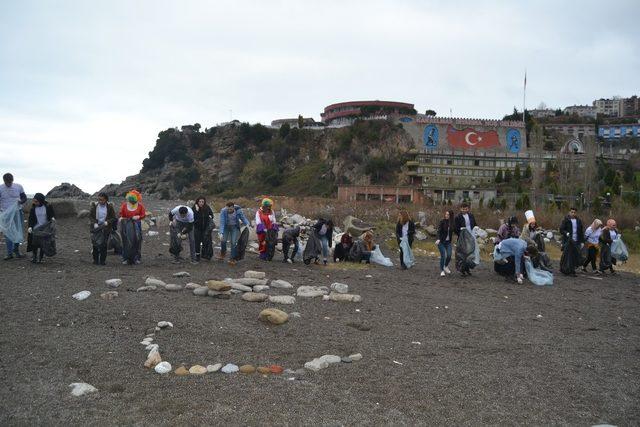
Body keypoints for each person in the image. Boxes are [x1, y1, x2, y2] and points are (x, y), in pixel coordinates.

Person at [0, 173, 27, 260]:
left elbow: (24, 198)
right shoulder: (0, 188)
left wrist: (21, 201)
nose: (9, 184)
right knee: (8, 232)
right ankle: (9, 253)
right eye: (7, 182)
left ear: (13, 180)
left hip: (17, 212)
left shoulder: (19, 187)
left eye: (10, 182)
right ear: (4, 181)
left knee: (18, 231)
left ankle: (16, 250)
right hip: (6, 213)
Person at [27, 193, 56, 263]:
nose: (35, 203)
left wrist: (52, 218)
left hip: (45, 228)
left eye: (36, 201)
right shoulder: (33, 208)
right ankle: (34, 257)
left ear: (41, 200)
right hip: (36, 228)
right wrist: (30, 227)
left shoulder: (48, 206)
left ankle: (40, 258)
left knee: (43, 243)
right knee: (34, 243)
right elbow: (31, 218)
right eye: (34, 201)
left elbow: (52, 214)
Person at [118, 190, 146, 265]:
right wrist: (121, 218)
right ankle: (126, 258)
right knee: (126, 240)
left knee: (137, 240)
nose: (132, 202)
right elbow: (121, 214)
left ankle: (136, 258)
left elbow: (143, 214)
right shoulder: (124, 205)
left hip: (136, 224)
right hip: (126, 224)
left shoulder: (140, 206)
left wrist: (138, 216)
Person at [89, 193, 116, 265]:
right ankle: (95, 260)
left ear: (106, 200)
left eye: (102, 200)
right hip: (96, 227)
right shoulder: (94, 206)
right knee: (95, 244)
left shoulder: (110, 207)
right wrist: (94, 223)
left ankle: (102, 261)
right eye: (99, 199)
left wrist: (108, 222)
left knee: (104, 245)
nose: (100, 201)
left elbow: (113, 218)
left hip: (105, 228)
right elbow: (91, 216)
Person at [454, 202, 477, 276]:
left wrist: (476, 229)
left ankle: (467, 269)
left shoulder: (471, 215)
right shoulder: (458, 217)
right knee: (462, 255)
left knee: (470, 254)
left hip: (470, 237)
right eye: (463, 209)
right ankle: (462, 270)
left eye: (466, 209)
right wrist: (461, 231)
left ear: (468, 209)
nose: (464, 210)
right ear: (461, 209)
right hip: (462, 238)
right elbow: (455, 228)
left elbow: (474, 224)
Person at [559, 207, 584, 276]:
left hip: (576, 240)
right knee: (569, 256)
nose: (573, 213)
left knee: (575, 255)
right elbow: (561, 229)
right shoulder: (566, 220)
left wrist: (582, 242)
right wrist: (566, 233)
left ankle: (571, 270)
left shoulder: (578, 221)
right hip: (568, 240)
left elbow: (581, 231)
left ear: (576, 213)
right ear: (569, 212)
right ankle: (569, 270)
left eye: (574, 212)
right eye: (572, 212)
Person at [192, 197, 214, 261]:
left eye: (202, 202)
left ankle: (206, 255)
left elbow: (211, 214)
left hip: (206, 228)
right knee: (197, 242)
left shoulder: (207, 207)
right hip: (197, 228)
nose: (201, 203)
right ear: (197, 202)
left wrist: (211, 216)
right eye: (200, 202)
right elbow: (192, 217)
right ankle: (197, 255)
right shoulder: (194, 208)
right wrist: (196, 210)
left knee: (206, 241)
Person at [435, 210, 454, 277]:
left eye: (448, 214)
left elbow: (455, 230)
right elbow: (438, 231)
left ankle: (445, 266)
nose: (446, 216)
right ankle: (442, 270)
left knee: (449, 255)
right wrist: (438, 239)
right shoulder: (442, 221)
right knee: (443, 255)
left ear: (451, 216)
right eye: (446, 214)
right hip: (441, 242)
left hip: (448, 242)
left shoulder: (452, 222)